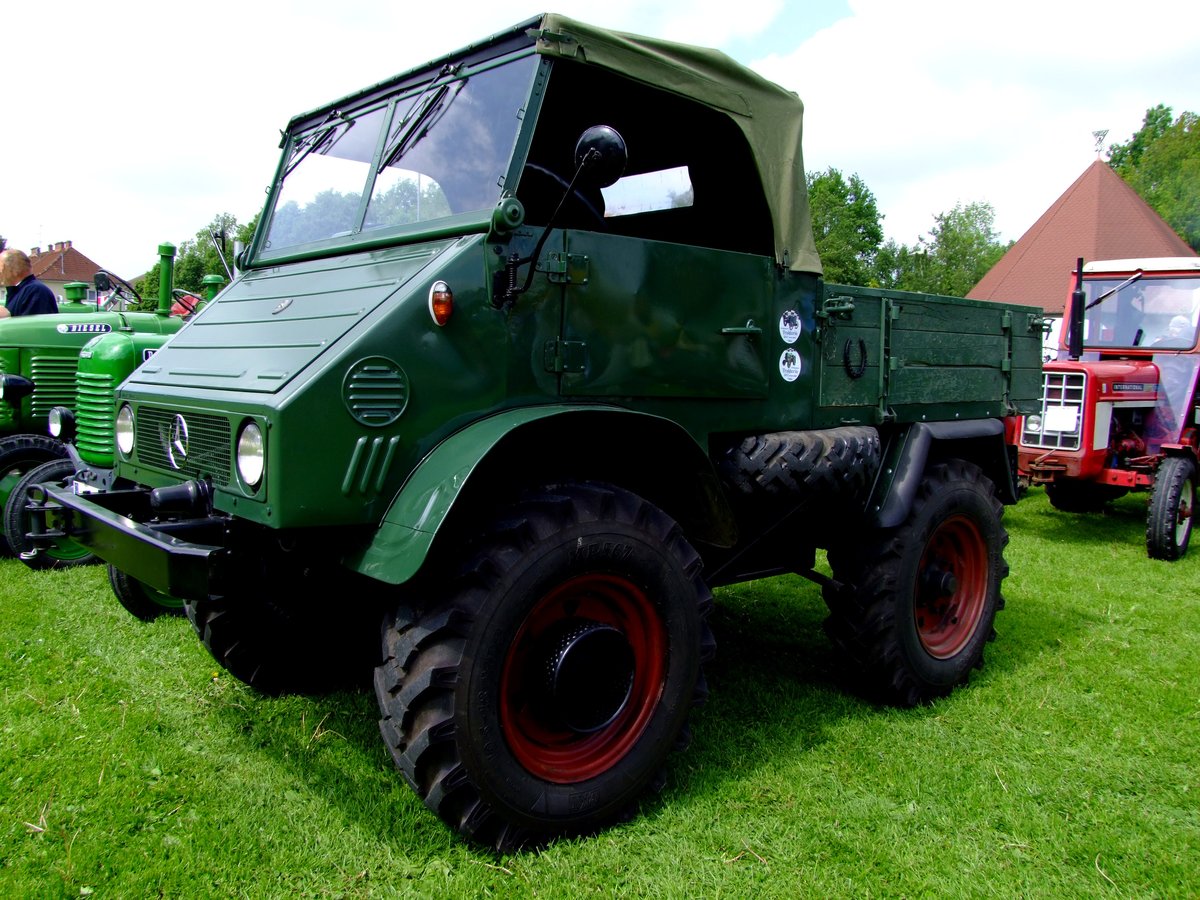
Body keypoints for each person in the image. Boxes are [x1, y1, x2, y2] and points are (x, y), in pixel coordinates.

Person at [0, 249, 58, 317]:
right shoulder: (21, 291)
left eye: (1, 268)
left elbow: (32, 325)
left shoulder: (35, 291)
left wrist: (5, 318)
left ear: (14, 269)